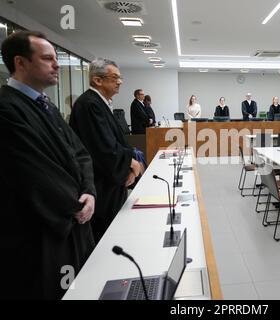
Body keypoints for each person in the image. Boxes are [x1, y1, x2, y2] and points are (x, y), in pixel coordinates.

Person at [0, 30, 96, 299]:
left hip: (73, 220)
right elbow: (35, 173)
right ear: (21, 63)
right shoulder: (7, 109)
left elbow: (81, 154)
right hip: (40, 233)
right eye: (47, 58)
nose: (56, 64)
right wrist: (76, 204)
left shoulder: (46, 106)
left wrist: (89, 190)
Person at [69, 58, 143, 243]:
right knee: (105, 239)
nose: (120, 82)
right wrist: (130, 163)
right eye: (115, 77)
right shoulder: (89, 104)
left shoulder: (100, 103)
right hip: (101, 187)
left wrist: (128, 166)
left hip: (110, 183)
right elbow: (102, 148)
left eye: (120, 77)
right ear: (97, 80)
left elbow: (115, 142)